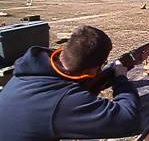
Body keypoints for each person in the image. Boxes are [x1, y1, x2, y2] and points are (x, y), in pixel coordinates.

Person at [0, 25, 141, 140]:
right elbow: (128, 119)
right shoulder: (61, 100)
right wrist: (121, 78)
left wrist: (110, 73)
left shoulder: (32, 71)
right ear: (93, 71)